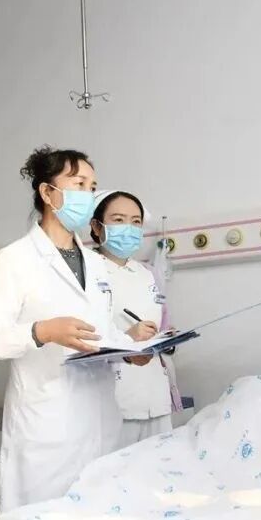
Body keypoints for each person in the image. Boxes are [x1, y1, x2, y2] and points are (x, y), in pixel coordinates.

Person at [0, 147, 156, 511]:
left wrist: (129, 350)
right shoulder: (14, 260)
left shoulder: (95, 264)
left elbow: (99, 332)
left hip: (100, 418)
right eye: (79, 184)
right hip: (47, 426)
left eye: (93, 186)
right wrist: (40, 332)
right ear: (47, 192)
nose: (89, 194)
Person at [90, 190, 173, 447]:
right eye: (118, 220)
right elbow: (78, 339)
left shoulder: (147, 273)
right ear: (97, 227)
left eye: (136, 222)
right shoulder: (87, 271)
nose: (128, 228)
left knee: (160, 465)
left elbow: (163, 321)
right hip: (112, 400)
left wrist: (169, 338)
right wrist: (126, 338)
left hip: (156, 396)